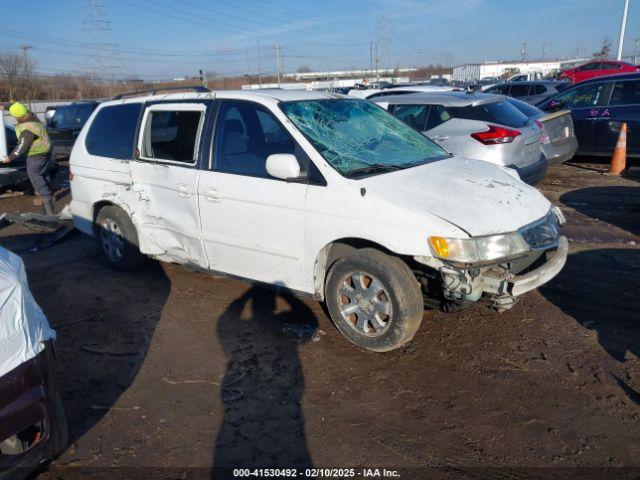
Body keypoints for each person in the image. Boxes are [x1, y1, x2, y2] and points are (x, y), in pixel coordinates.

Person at [0, 102, 55, 215]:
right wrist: (4, 106)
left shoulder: (27, 129)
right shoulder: (31, 116)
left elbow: (22, 145)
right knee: (42, 173)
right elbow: (15, 106)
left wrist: (10, 158)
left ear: (16, 116)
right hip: (45, 150)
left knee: (34, 175)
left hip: (37, 154)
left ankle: (47, 203)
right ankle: (48, 195)